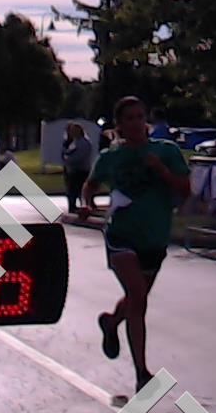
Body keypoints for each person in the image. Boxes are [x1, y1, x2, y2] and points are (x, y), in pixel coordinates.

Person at [82, 96, 191, 391]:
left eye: (140, 117)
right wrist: (87, 203)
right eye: (129, 118)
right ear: (119, 124)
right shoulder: (111, 157)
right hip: (121, 235)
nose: (136, 123)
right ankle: (142, 373)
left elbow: (185, 189)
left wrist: (161, 170)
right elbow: (90, 185)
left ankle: (111, 323)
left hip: (154, 236)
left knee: (135, 299)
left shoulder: (166, 151)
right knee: (138, 296)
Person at [59, 122, 95, 216]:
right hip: (71, 170)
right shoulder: (72, 142)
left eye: (75, 130)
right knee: (71, 190)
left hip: (81, 170)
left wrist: (68, 159)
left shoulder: (84, 143)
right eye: (71, 131)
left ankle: (86, 207)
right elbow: (65, 153)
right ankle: (72, 207)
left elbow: (78, 156)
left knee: (80, 190)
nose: (72, 133)